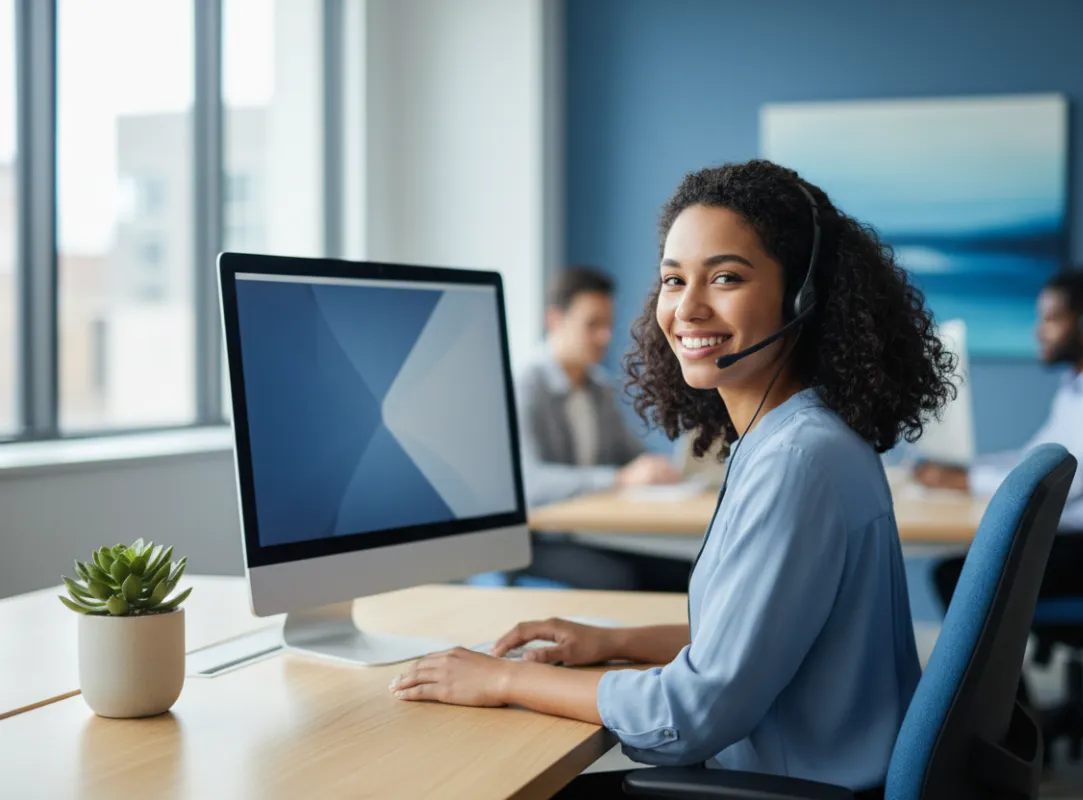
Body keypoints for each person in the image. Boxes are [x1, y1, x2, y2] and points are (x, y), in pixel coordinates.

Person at [389, 159, 957, 797]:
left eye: (725, 277)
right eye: (672, 280)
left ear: (804, 297)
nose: (688, 308)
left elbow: (691, 715)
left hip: (791, 785)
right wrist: (614, 640)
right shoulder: (799, 437)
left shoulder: (797, 462)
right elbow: (754, 639)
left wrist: (502, 680)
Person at [917, 267, 1083, 609]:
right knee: (959, 571)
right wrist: (964, 470)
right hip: (1079, 541)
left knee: (958, 576)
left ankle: (998, 666)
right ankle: (1004, 665)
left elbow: (1070, 482)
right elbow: (1034, 458)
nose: (1039, 332)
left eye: (1051, 320)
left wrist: (966, 480)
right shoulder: (1079, 385)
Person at [515, 266, 687, 591]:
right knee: (620, 578)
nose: (605, 336)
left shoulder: (598, 386)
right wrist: (621, 478)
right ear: (554, 320)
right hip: (540, 539)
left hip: (590, 530)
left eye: (608, 324)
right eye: (593, 324)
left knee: (685, 572)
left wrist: (655, 468)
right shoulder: (526, 385)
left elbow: (630, 456)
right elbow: (531, 483)